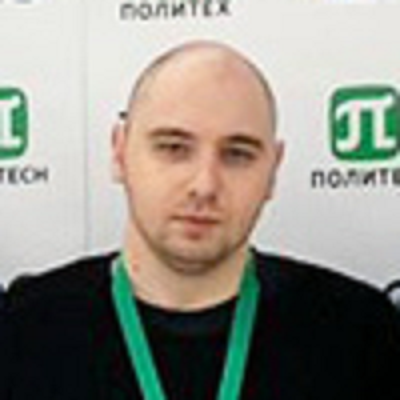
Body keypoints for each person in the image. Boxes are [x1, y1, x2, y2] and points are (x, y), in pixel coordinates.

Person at [5, 40, 400, 400]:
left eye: (238, 154)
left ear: (273, 171)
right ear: (120, 152)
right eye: (174, 148)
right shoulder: (21, 331)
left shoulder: (361, 335)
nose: (205, 185)